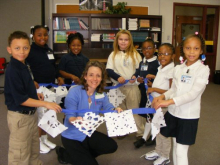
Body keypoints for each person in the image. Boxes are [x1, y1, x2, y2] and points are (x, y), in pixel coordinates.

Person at [4, 31, 62, 165]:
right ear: (9, 50)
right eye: (17, 48)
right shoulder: (13, 70)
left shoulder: (24, 65)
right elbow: (21, 99)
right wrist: (46, 104)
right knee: (20, 152)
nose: (22, 51)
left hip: (31, 114)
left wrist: (35, 95)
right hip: (20, 117)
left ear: (29, 48)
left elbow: (26, 87)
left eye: (25, 48)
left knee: (33, 147)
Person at [152, 33, 210, 165]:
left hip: (188, 117)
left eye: (196, 49)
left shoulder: (203, 70)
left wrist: (168, 101)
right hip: (173, 113)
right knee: (175, 146)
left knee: (181, 151)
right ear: (183, 49)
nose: (191, 52)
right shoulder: (179, 68)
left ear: (201, 51)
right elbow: (173, 89)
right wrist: (162, 96)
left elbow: (193, 94)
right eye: (188, 48)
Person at [56, 61, 122, 165]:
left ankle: (76, 156)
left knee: (112, 146)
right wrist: (75, 120)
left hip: (87, 132)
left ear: (101, 78)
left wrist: (115, 110)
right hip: (71, 136)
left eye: (98, 76)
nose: (95, 79)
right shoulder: (75, 92)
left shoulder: (101, 94)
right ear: (85, 76)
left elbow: (108, 107)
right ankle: (64, 154)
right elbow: (70, 115)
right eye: (91, 75)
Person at [26, 25, 64, 154]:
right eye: (39, 35)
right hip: (38, 89)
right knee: (41, 116)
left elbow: (53, 66)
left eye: (45, 35)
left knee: (49, 114)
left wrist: (58, 76)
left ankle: (44, 138)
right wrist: (31, 80)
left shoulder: (48, 50)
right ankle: (37, 143)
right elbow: (25, 67)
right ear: (33, 36)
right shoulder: (29, 50)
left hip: (50, 87)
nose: (43, 37)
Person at [106, 30, 144, 139]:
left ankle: (140, 133)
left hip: (132, 87)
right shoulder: (113, 55)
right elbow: (109, 69)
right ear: (117, 41)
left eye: (126, 40)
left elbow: (139, 68)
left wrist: (134, 76)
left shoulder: (135, 54)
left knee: (135, 109)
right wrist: (118, 77)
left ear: (130, 41)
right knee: (120, 110)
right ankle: (123, 130)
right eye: (121, 39)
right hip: (117, 87)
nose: (123, 42)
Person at [143, 43, 175, 165]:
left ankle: (165, 155)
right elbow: (163, 82)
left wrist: (155, 89)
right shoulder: (161, 67)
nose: (162, 56)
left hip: (164, 105)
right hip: (156, 103)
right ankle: (158, 151)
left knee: (164, 131)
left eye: (166, 54)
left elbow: (172, 90)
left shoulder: (172, 70)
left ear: (173, 56)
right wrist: (154, 81)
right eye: (160, 53)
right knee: (156, 128)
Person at [133, 39, 160, 145]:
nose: (146, 50)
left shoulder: (158, 62)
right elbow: (139, 74)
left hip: (155, 94)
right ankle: (145, 137)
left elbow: (162, 79)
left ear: (154, 49)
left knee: (154, 115)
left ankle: (154, 136)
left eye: (149, 48)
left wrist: (153, 84)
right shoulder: (142, 62)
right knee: (148, 115)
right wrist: (138, 79)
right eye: (144, 48)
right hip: (145, 93)